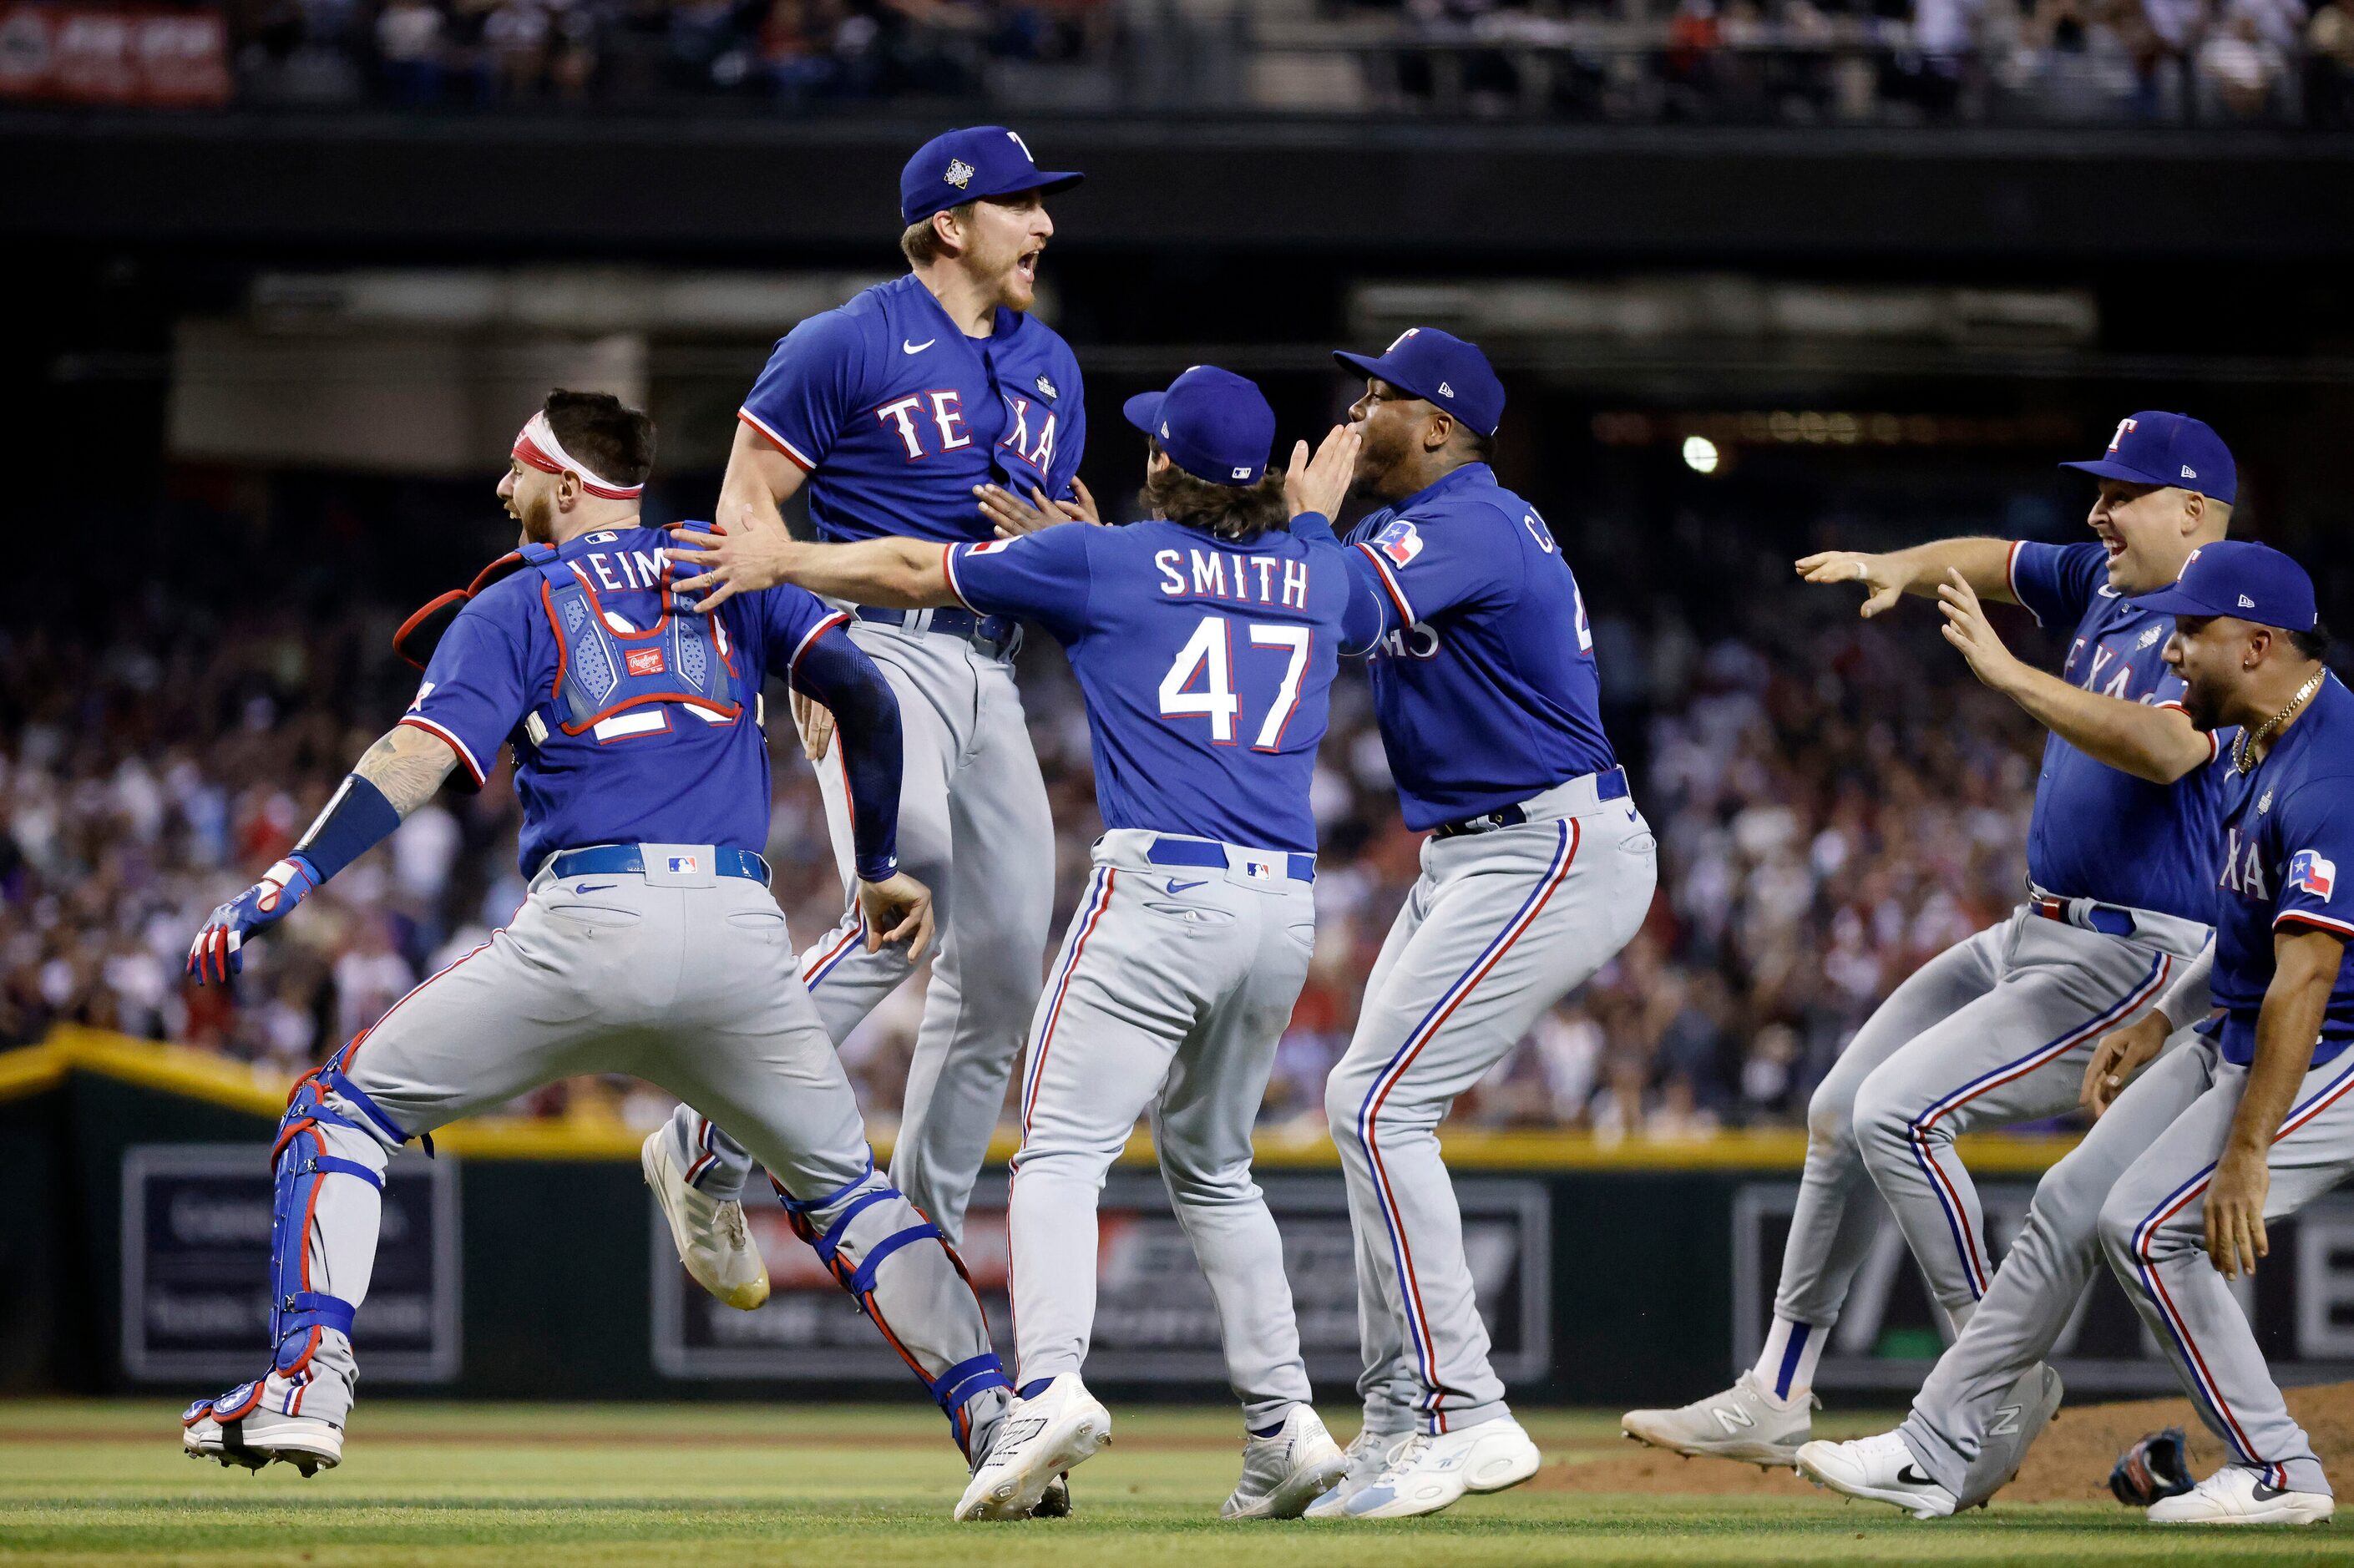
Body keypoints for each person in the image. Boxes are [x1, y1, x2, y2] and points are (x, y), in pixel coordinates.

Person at [178, 392, 1016, 1485]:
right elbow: (863, 693)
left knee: (337, 1108)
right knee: (850, 1194)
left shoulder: (514, 602)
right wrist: (870, 864)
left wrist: (291, 872)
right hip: (732, 935)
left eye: (517, 469)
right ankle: (998, 1424)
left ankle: (308, 1382)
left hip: (589, 922)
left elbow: (418, 753)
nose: (500, 487)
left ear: (568, 486)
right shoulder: (726, 562)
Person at [670, 367, 1379, 1521]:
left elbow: (912, 570)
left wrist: (781, 562)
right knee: (1214, 1166)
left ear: (1160, 468)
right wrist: (1308, 517)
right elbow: (1304, 575)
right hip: (1282, 909)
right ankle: (1285, 1423)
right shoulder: (1314, 570)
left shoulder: (1105, 560)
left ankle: (1047, 1384)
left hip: (1160, 894)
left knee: (1056, 1155)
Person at [1624, 412, 2237, 1482]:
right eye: (2095, 491)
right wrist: (1897, 565)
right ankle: (1776, 1390)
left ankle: (1985, 1382)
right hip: (2029, 929)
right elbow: (1992, 561)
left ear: (2191, 511)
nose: (2094, 511)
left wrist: (2008, 678)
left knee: (1897, 1114)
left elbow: (2165, 747)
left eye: (2120, 493)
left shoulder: (2221, 615)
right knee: (1837, 1110)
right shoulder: (2104, 586)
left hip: (2132, 955)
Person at [1802, 541, 2348, 1528]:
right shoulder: (2249, 738)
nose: (2170, 650)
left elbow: (2304, 982)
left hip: (2327, 1053)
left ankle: (2277, 1469)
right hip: (2234, 1026)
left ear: (2258, 643)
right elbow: (2240, 941)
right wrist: (2157, 1018)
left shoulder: (2327, 772)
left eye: (2192, 632)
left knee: (2143, 1228)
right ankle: (1934, 1450)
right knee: (2067, 1202)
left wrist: (2246, 1152)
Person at [645, 125, 1089, 1310]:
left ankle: (923, 1238)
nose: (1043, 224)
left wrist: (1080, 552)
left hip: (992, 668)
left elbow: (1058, 553)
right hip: (870, 650)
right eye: (1020, 205)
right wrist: (799, 643)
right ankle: (702, 1140)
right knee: (906, 890)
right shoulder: (847, 339)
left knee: (1001, 966)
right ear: (950, 222)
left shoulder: (1052, 367)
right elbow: (747, 505)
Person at [1290, 329, 1660, 1521]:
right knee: (1364, 1098)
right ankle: (1400, 1419)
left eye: (1382, 394)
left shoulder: (1467, 521)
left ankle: (1463, 1410)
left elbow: (1337, 611)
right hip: (1479, 847)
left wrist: (1308, 518)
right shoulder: (1424, 524)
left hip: (1547, 840)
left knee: (1376, 1103)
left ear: (1439, 424)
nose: (1360, 407)